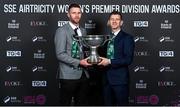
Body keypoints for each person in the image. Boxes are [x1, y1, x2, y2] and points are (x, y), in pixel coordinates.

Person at [54, 3, 91, 106]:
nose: (76, 15)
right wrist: (79, 62)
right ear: (68, 14)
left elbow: (83, 50)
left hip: (83, 75)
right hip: (68, 76)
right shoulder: (62, 31)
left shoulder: (83, 31)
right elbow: (60, 54)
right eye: (73, 13)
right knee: (65, 103)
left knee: (82, 103)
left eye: (79, 13)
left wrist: (91, 58)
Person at [98, 11, 135, 106]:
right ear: (109, 22)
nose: (114, 21)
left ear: (121, 22)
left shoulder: (127, 38)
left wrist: (109, 61)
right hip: (106, 80)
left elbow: (128, 59)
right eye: (112, 19)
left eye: (117, 19)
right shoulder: (105, 39)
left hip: (120, 81)